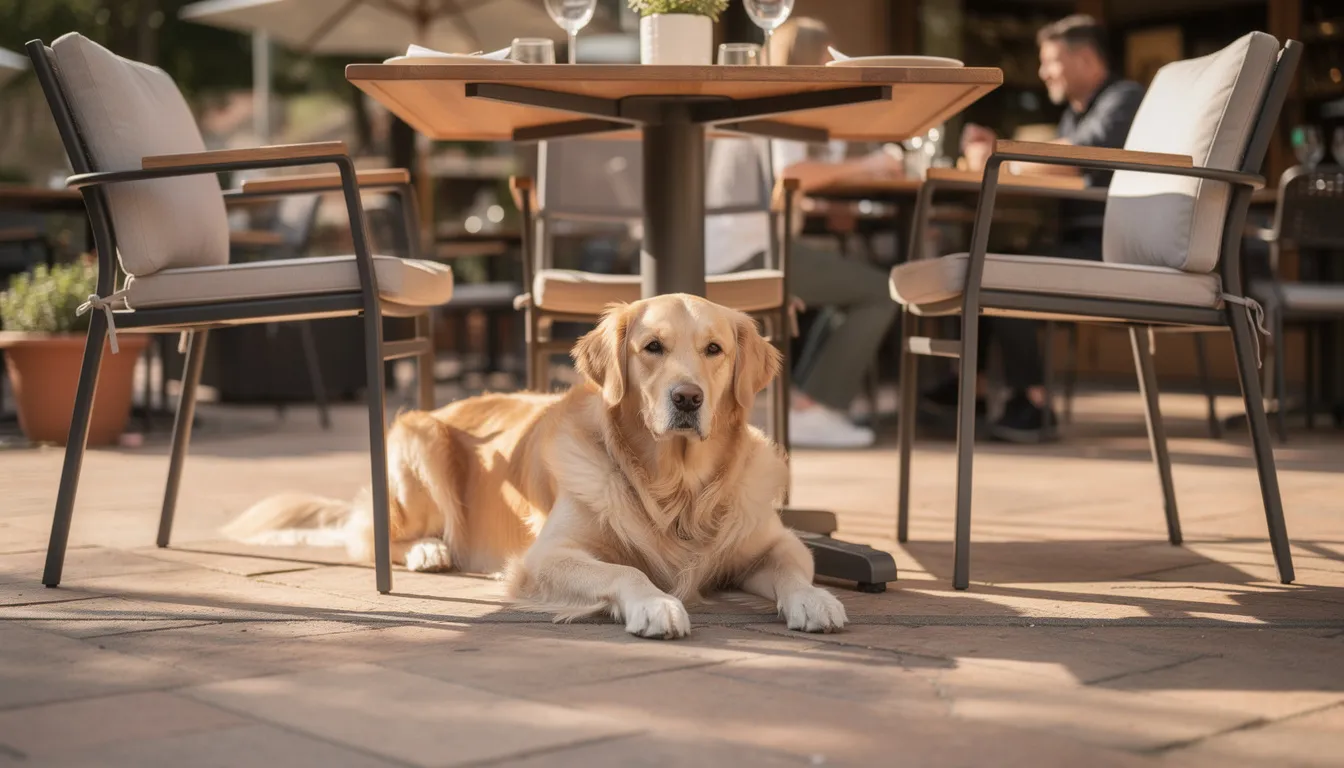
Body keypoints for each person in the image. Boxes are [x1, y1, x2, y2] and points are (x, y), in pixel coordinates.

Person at [925, 14, 1145, 443]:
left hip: (1113, 244)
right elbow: (1059, 163)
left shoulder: (1124, 99)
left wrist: (1004, 153)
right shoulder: (1075, 115)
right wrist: (1008, 155)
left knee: (1002, 269)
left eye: (1051, 61)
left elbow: (1081, 155)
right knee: (985, 260)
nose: (1043, 72)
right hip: (1081, 237)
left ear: (1084, 59)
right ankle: (977, 388)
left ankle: (1034, 400)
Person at [705, 17, 901, 449]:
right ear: (811, 58)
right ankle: (818, 408)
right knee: (882, 291)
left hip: (730, 245)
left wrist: (829, 207)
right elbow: (790, 174)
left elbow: (776, 189)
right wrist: (871, 165)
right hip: (752, 253)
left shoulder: (754, 99)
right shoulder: (782, 101)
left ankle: (806, 402)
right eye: (827, 56)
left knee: (852, 294)